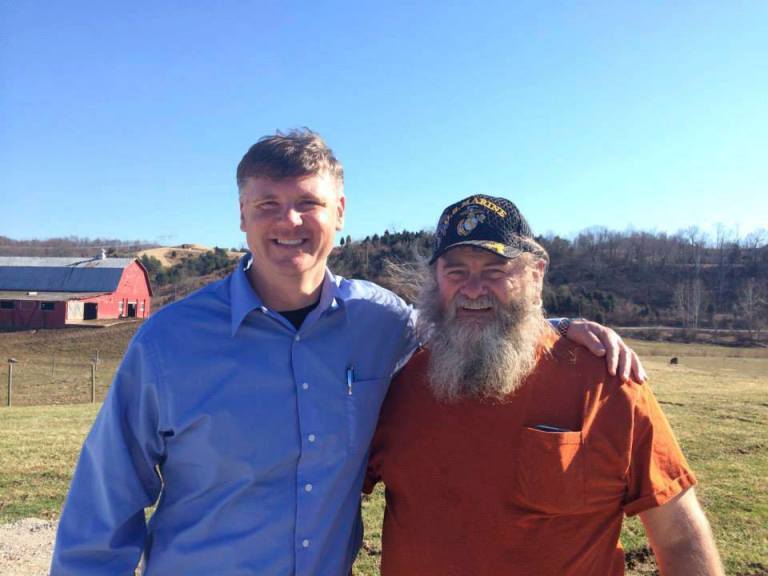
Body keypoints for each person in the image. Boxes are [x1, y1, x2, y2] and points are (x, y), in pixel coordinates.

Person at [52, 131, 646, 575]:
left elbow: (468, 321)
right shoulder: (168, 344)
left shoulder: (380, 323)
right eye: (267, 204)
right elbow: (103, 510)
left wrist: (558, 325)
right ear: (241, 216)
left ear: (340, 213)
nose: (289, 221)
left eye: (308, 202)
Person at [365, 194, 723, 575]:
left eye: (495, 271)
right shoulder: (394, 385)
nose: (473, 289)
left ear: (535, 276)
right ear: (436, 280)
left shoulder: (604, 383)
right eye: (456, 272)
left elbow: (679, 536)